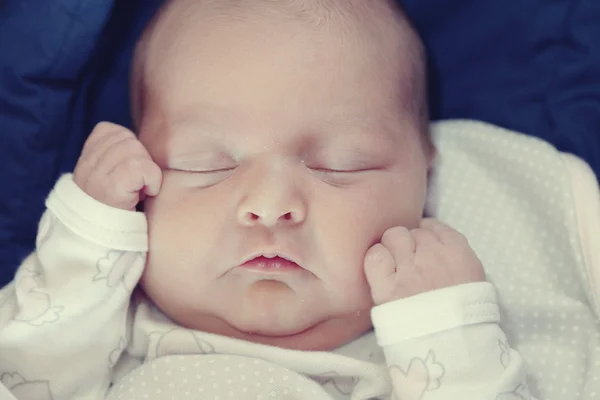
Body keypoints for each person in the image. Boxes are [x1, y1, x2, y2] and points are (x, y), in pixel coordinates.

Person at [1, 1, 599, 399]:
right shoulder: (106, 329)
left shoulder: (427, 349)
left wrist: (451, 339)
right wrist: (85, 247)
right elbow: (24, 376)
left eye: (340, 164)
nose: (269, 204)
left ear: (425, 174)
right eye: (205, 165)